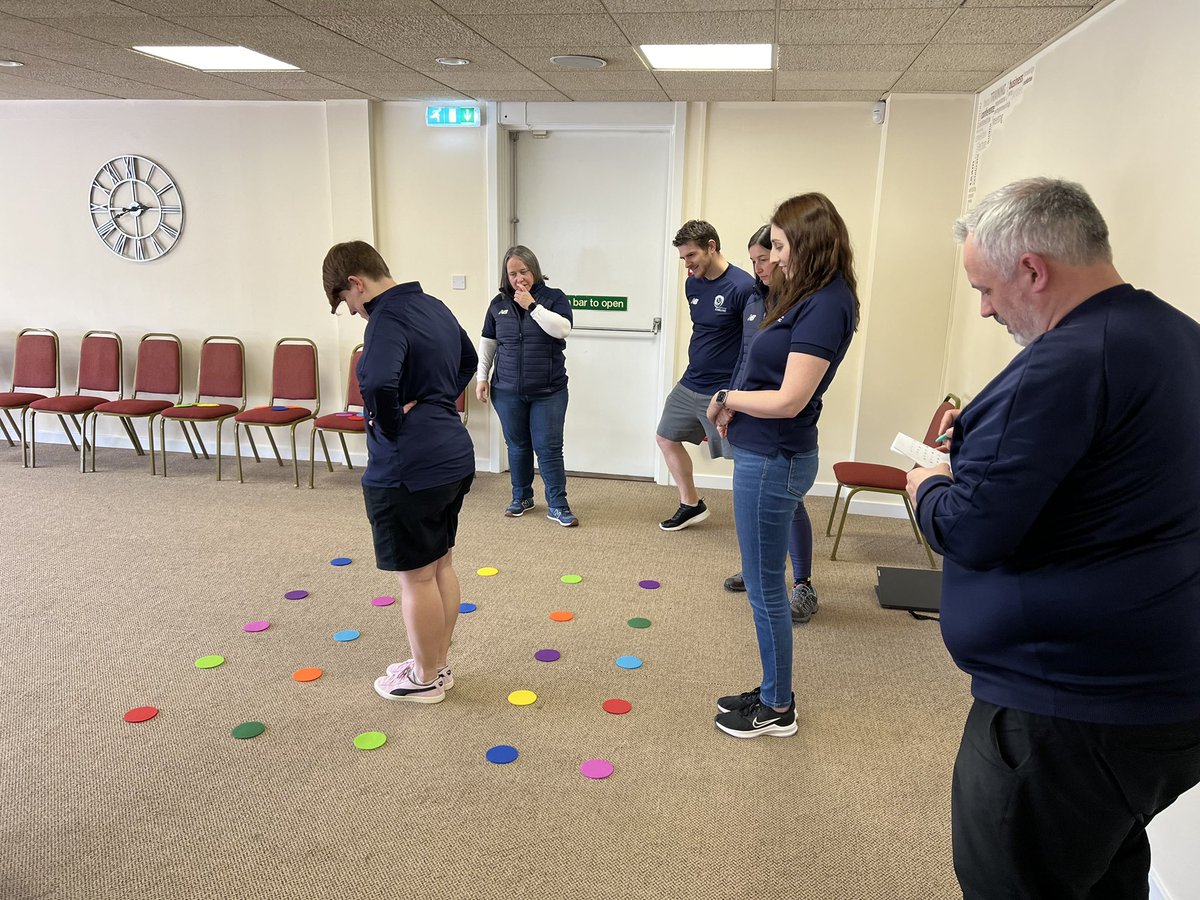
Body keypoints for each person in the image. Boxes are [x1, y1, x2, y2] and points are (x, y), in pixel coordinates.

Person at [905, 177, 1200, 898]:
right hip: (1155, 694)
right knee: (1099, 867)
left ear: (1033, 269)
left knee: (1016, 878)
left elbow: (973, 530)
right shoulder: (1174, 335)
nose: (983, 308)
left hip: (1067, 711)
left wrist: (926, 487)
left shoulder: (1069, 360)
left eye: (986, 287)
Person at [708, 195, 859, 738]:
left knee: (765, 587)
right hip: (764, 448)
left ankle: (777, 707)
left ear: (808, 241)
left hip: (775, 455)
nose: (770, 256)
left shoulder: (825, 304)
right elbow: (767, 377)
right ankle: (774, 690)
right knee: (763, 582)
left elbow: (790, 399)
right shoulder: (809, 297)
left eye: (777, 244)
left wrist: (729, 397)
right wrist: (738, 405)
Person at [321, 240, 477, 705]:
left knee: (417, 577)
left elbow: (376, 383)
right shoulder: (434, 306)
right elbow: (467, 361)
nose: (352, 312)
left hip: (410, 466)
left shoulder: (386, 318)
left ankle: (425, 677)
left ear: (356, 283)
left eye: (346, 302)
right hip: (452, 453)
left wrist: (390, 423)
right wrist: (435, 399)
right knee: (440, 563)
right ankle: (436, 665)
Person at [723, 225, 820, 624]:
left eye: (765, 258)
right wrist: (730, 399)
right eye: (754, 261)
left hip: (780, 426)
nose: (759, 268)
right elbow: (745, 357)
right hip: (746, 413)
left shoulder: (800, 306)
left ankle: (803, 583)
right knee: (757, 505)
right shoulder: (752, 298)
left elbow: (793, 383)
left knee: (790, 503)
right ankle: (758, 570)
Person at [656, 219, 756, 531]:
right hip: (691, 381)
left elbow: (751, 345)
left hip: (723, 389)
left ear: (711, 247)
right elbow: (705, 332)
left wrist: (733, 395)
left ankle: (756, 523)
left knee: (745, 458)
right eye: (684, 257)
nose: (687, 264)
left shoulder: (742, 286)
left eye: (691, 256)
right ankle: (691, 504)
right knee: (666, 436)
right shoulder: (693, 284)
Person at [475, 245, 578, 527]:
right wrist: (481, 377)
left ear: (534, 270)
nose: (519, 277)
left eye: (524, 271)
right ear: (505, 276)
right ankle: (521, 497)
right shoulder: (498, 304)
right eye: (513, 273)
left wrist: (531, 305)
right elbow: (488, 343)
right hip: (507, 390)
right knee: (517, 446)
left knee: (548, 448)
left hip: (549, 391)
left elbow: (562, 329)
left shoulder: (553, 299)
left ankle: (558, 504)